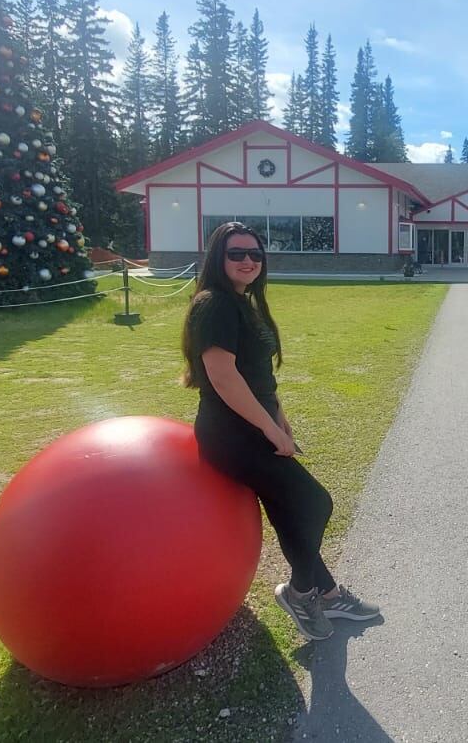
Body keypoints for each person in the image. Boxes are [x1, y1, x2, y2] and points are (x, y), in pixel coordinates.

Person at [181, 221, 380, 641]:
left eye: (255, 253)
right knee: (315, 503)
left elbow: (257, 375)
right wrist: (270, 431)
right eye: (237, 253)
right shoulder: (214, 304)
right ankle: (300, 591)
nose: (248, 260)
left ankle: (326, 594)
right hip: (231, 435)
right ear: (219, 257)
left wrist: (280, 416)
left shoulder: (240, 302)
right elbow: (224, 377)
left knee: (290, 511)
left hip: (254, 424)